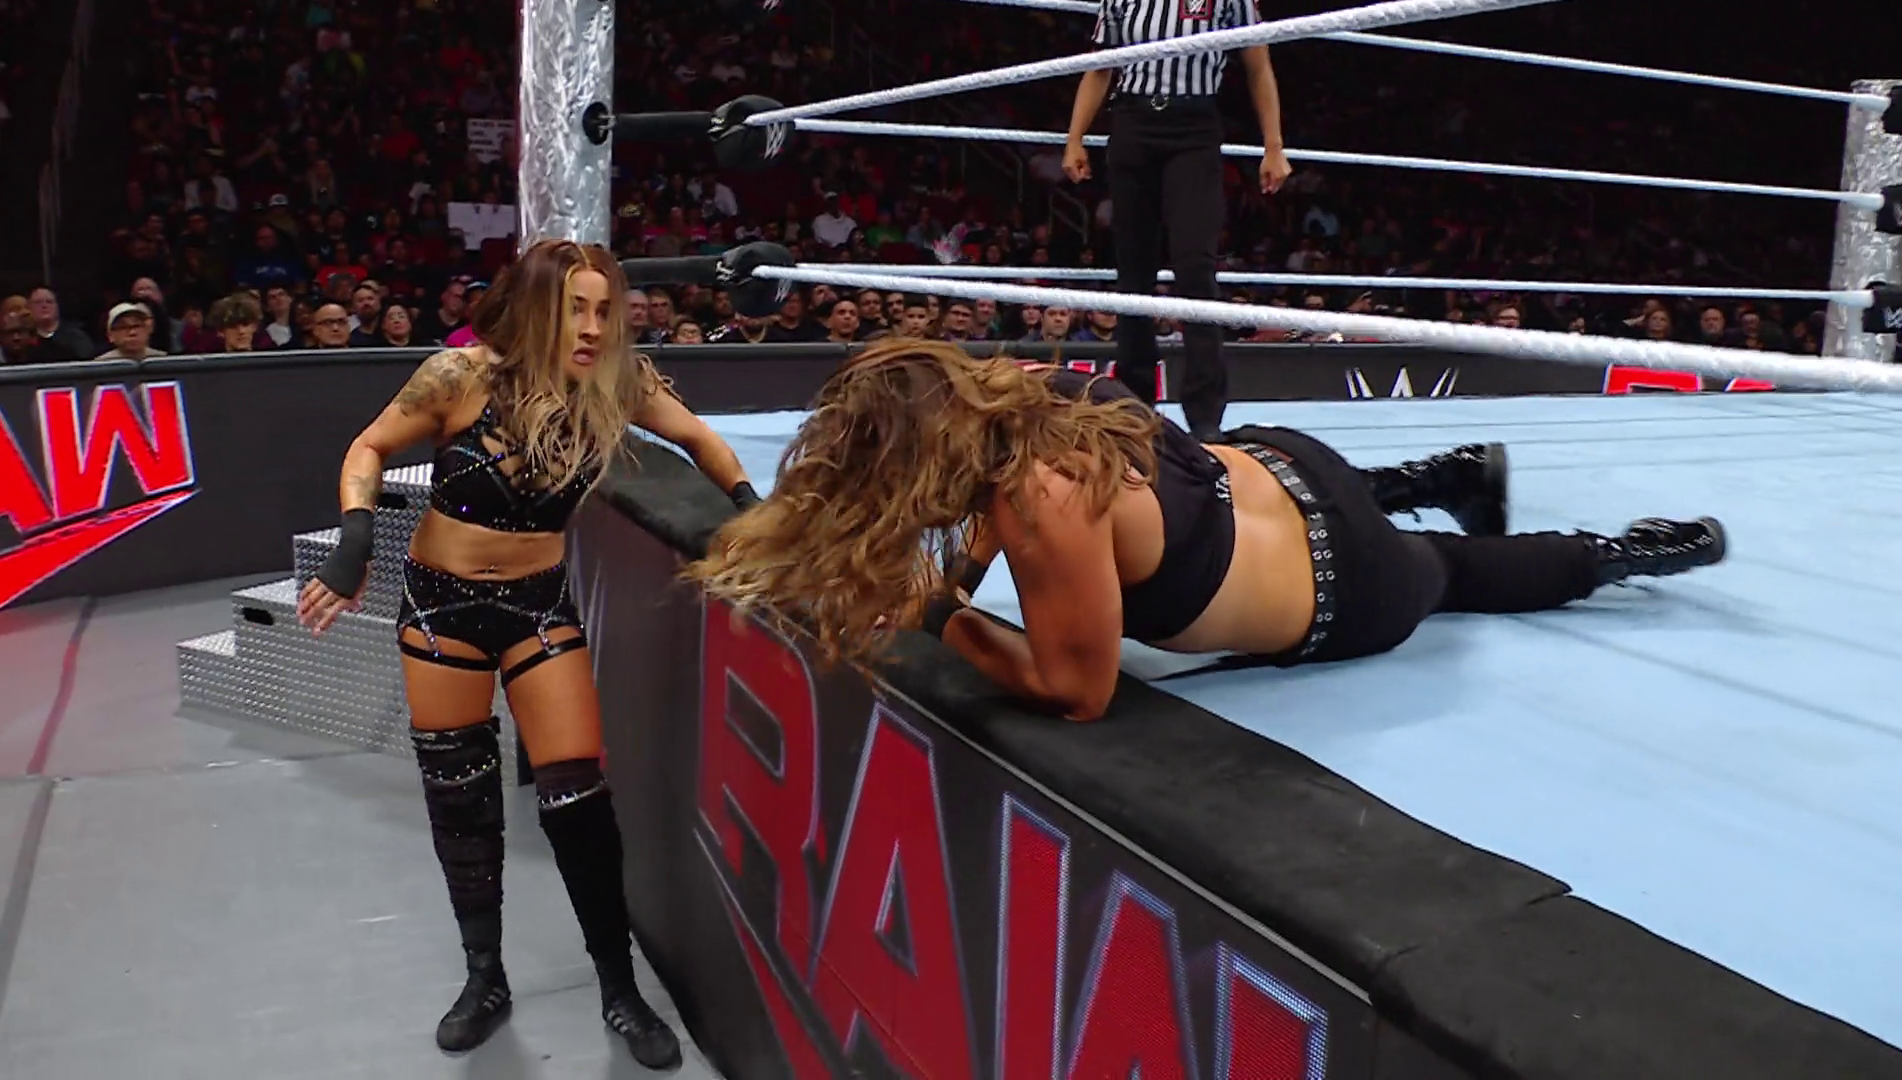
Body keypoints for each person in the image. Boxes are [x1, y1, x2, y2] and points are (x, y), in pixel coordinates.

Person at [687, 341, 1727, 721]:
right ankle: (1435, 474)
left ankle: (1625, 552)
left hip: (1347, 582)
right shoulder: (1017, 393)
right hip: (1284, 462)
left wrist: (938, 612)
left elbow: (1079, 693)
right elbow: (985, 507)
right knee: (1249, 499)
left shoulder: (1040, 500)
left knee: (1451, 570)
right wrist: (957, 570)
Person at [294, 240, 759, 1066]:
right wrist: (355, 542)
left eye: (604, 311)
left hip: (536, 606)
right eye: (575, 309)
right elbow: (368, 448)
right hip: (439, 606)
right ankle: (485, 977)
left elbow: (701, 440)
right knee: (459, 797)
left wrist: (751, 511)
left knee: (579, 800)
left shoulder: (618, 385)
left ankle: (618, 987)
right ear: (538, 307)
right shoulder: (458, 376)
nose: (592, 327)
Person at [1063, 0, 1290, 442]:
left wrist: (1274, 146)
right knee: (1133, 271)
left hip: (1194, 128)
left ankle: (1205, 412)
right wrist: (1075, 138)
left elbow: (1258, 65)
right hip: (1132, 123)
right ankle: (1134, 402)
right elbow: (1100, 67)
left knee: (1195, 267)